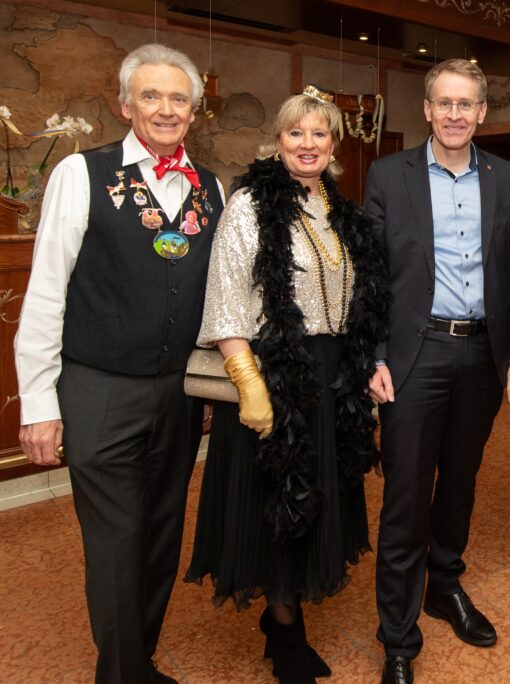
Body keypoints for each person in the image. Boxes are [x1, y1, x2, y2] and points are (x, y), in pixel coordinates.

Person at [14, 44, 224, 683]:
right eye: (151, 96)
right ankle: (123, 674)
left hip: (179, 393)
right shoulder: (81, 174)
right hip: (99, 389)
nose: (166, 109)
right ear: (125, 102)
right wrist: (39, 403)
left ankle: (136, 660)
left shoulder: (210, 187)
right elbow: (47, 291)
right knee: (115, 541)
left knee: (161, 537)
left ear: (195, 110)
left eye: (179, 98)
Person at [183, 85, 387, 683]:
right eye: (296, 132)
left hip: (330, 377)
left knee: (315, 495)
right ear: (278, 141)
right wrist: (248, 382)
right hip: (272, 374)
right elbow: (225, 297)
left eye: (319, 134)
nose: (308, 143)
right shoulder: (250, 204)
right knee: (277, 500)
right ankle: (285, 632)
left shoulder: (338, 209)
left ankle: (285, 615)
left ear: (333, 146)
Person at [363, 58, 510, 684]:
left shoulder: (504, 178)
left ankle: (445, 585)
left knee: (459, 484)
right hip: (415, 355)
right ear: (428, 110)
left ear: (481, 113)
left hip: (483, 356)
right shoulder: (388, 176)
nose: (456, 114)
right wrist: (375, 355)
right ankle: (399, 639)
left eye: (467, 104)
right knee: (406, 497)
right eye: (445, 103)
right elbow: (371, 277)